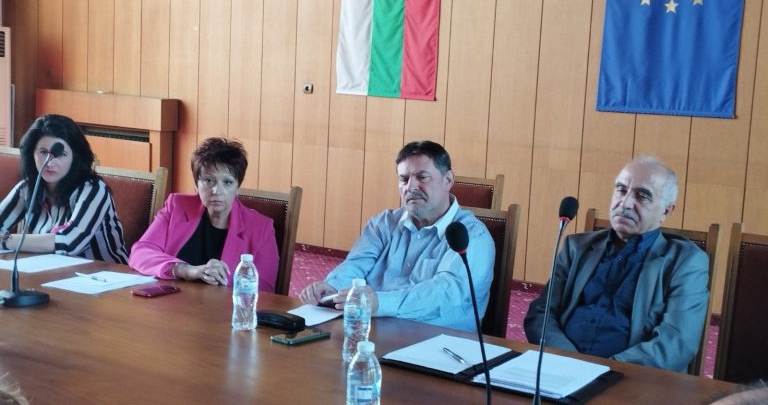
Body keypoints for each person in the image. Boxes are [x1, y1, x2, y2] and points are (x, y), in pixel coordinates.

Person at [524, 156, 710, 372]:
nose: (625, 203)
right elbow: (541, 314)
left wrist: (604, 371)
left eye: (642, 196)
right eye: (621, 190)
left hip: (631, 379)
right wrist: (568, 362)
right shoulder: (577, 247)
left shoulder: (685, 262)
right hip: (559, 368)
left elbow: (676, 343)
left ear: (666, 211)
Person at [299, 140, 495, 332]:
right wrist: (333, 288)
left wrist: (379, 303)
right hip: (372, 330)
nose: (411, 187)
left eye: (422, 177)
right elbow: (356, 265)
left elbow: (444, 294)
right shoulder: (384, 223)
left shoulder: (471, 236)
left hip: (438, 340)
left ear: (448, 180)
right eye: (404, 179)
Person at [129, 137, 279, 291]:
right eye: (208, 181)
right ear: (197, 184)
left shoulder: (261, 228)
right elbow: (140, 253)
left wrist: (218, 279)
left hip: (223, 306)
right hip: (171, 301)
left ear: (237, 187)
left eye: (227, 182)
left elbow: (265, 293)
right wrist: (186, 270)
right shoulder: (177, 206)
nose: (216, 191)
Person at [0, 114, 128, 263]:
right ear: (31, 154)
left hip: (104, 274)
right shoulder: (27, 189)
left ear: (75, 157)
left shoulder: (93, 190)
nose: (49, 163)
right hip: (49, 271)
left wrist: (6, 240)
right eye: (43, 152)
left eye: (61, 154)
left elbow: (69, 243)